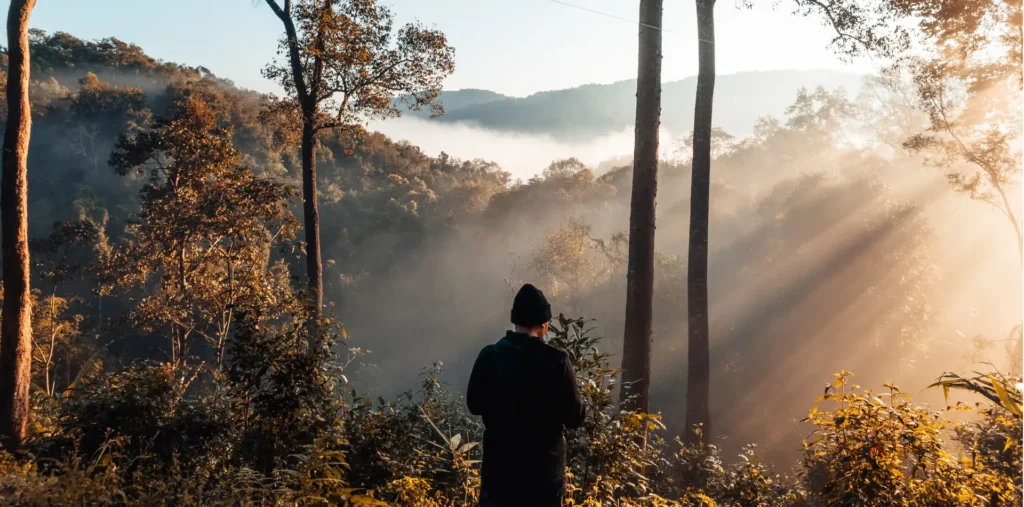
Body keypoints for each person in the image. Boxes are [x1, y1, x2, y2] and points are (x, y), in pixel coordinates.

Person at [467, 284, 586, 507]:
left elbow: (474, 404)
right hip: (543, 480)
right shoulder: (557, 361)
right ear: (544, 325)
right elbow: (574, 417)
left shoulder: (490, 356)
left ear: (515, 322)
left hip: (499, 477)